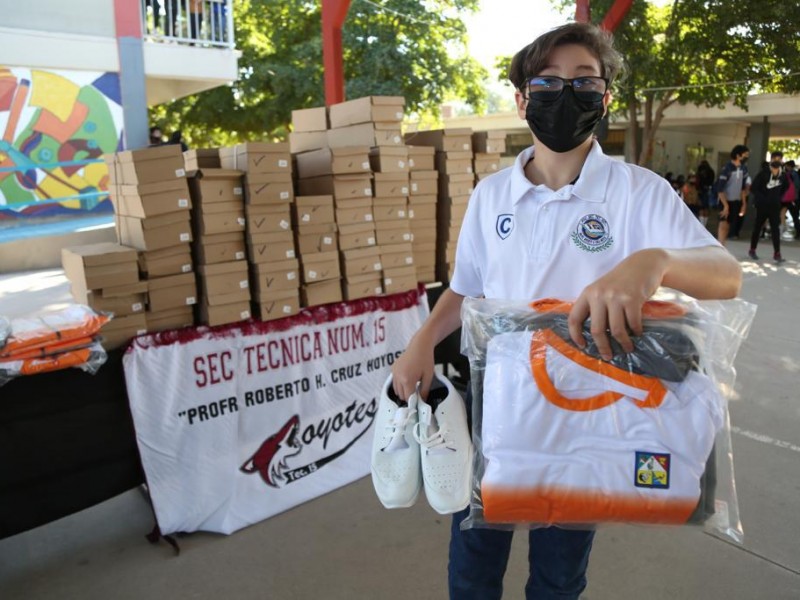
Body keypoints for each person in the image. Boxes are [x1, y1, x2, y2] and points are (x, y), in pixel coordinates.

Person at [391, 22, 742, 600]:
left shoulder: (639, 192)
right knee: (474, 554)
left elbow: (726, 276)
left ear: (605, 98)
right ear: (522, 99)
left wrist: (654, 261)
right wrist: (421, 341)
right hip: (499, 402)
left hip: (590, 413)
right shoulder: (491, 196)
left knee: (558, 571)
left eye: (584, 80)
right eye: (548, 81)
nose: (566, 93)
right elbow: (465, 290)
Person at [748, 157, 788, 262]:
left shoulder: (783, 176)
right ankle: (752, 249)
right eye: (773, 168)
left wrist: (778, 198)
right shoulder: (763, 174)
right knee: (758, 227)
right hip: (762, 206)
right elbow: (753, 188)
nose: (775, 170)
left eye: (777, 168)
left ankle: (777, 253)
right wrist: (762, 198)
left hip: (774, 206)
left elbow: (785, 188)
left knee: (775, 229)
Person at [716, 144, 750, 244]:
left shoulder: (744, 169)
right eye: (745, 155)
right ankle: (720, 246)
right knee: (723, 224)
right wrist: (725, 205)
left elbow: (743, 188)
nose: (746, 157)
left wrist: (744, 204)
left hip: (736, 201)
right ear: (738, 155)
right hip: (725, 200)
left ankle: (723, 246)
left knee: (729, 226)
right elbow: (720, 189)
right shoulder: (727, 168)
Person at [696, 159, 716, 227]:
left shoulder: (699, 171)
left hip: (700, 190)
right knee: (706, 207)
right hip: (708, 190)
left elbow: (697, 180)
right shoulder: (711, 171)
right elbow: (712, 181)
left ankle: (701, 224)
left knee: (701, 207)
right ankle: (704, 224)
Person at [784, 159, 800, 239]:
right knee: (794, 216)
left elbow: (796, 186)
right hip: (793, 198)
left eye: (786, 166)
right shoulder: (794, 174)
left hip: (792, 198)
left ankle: (798, 232)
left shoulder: (792, 174)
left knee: (794, 215)